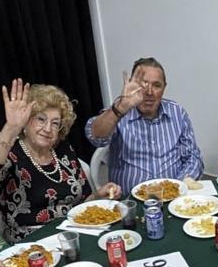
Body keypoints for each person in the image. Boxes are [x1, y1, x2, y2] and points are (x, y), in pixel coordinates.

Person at [0, 79, 121, 243]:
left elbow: (82, 202)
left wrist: (99, 195)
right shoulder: (11, 153)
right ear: (26, 121)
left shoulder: (63, 150)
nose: (47, 128)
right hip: (31, 246)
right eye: (41, 119)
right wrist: (11, 128)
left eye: (55, 123)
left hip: (73, 235)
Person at [85, 57, 204, 193]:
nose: (149, 92)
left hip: (174, 199)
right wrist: (121, 108)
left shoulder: (177, 113)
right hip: (130, 202)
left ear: (164, 88)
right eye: (143, 85)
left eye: (156, 85)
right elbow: (95, 137)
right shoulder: (118, 111)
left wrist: (178, 187)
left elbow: (193, 158)